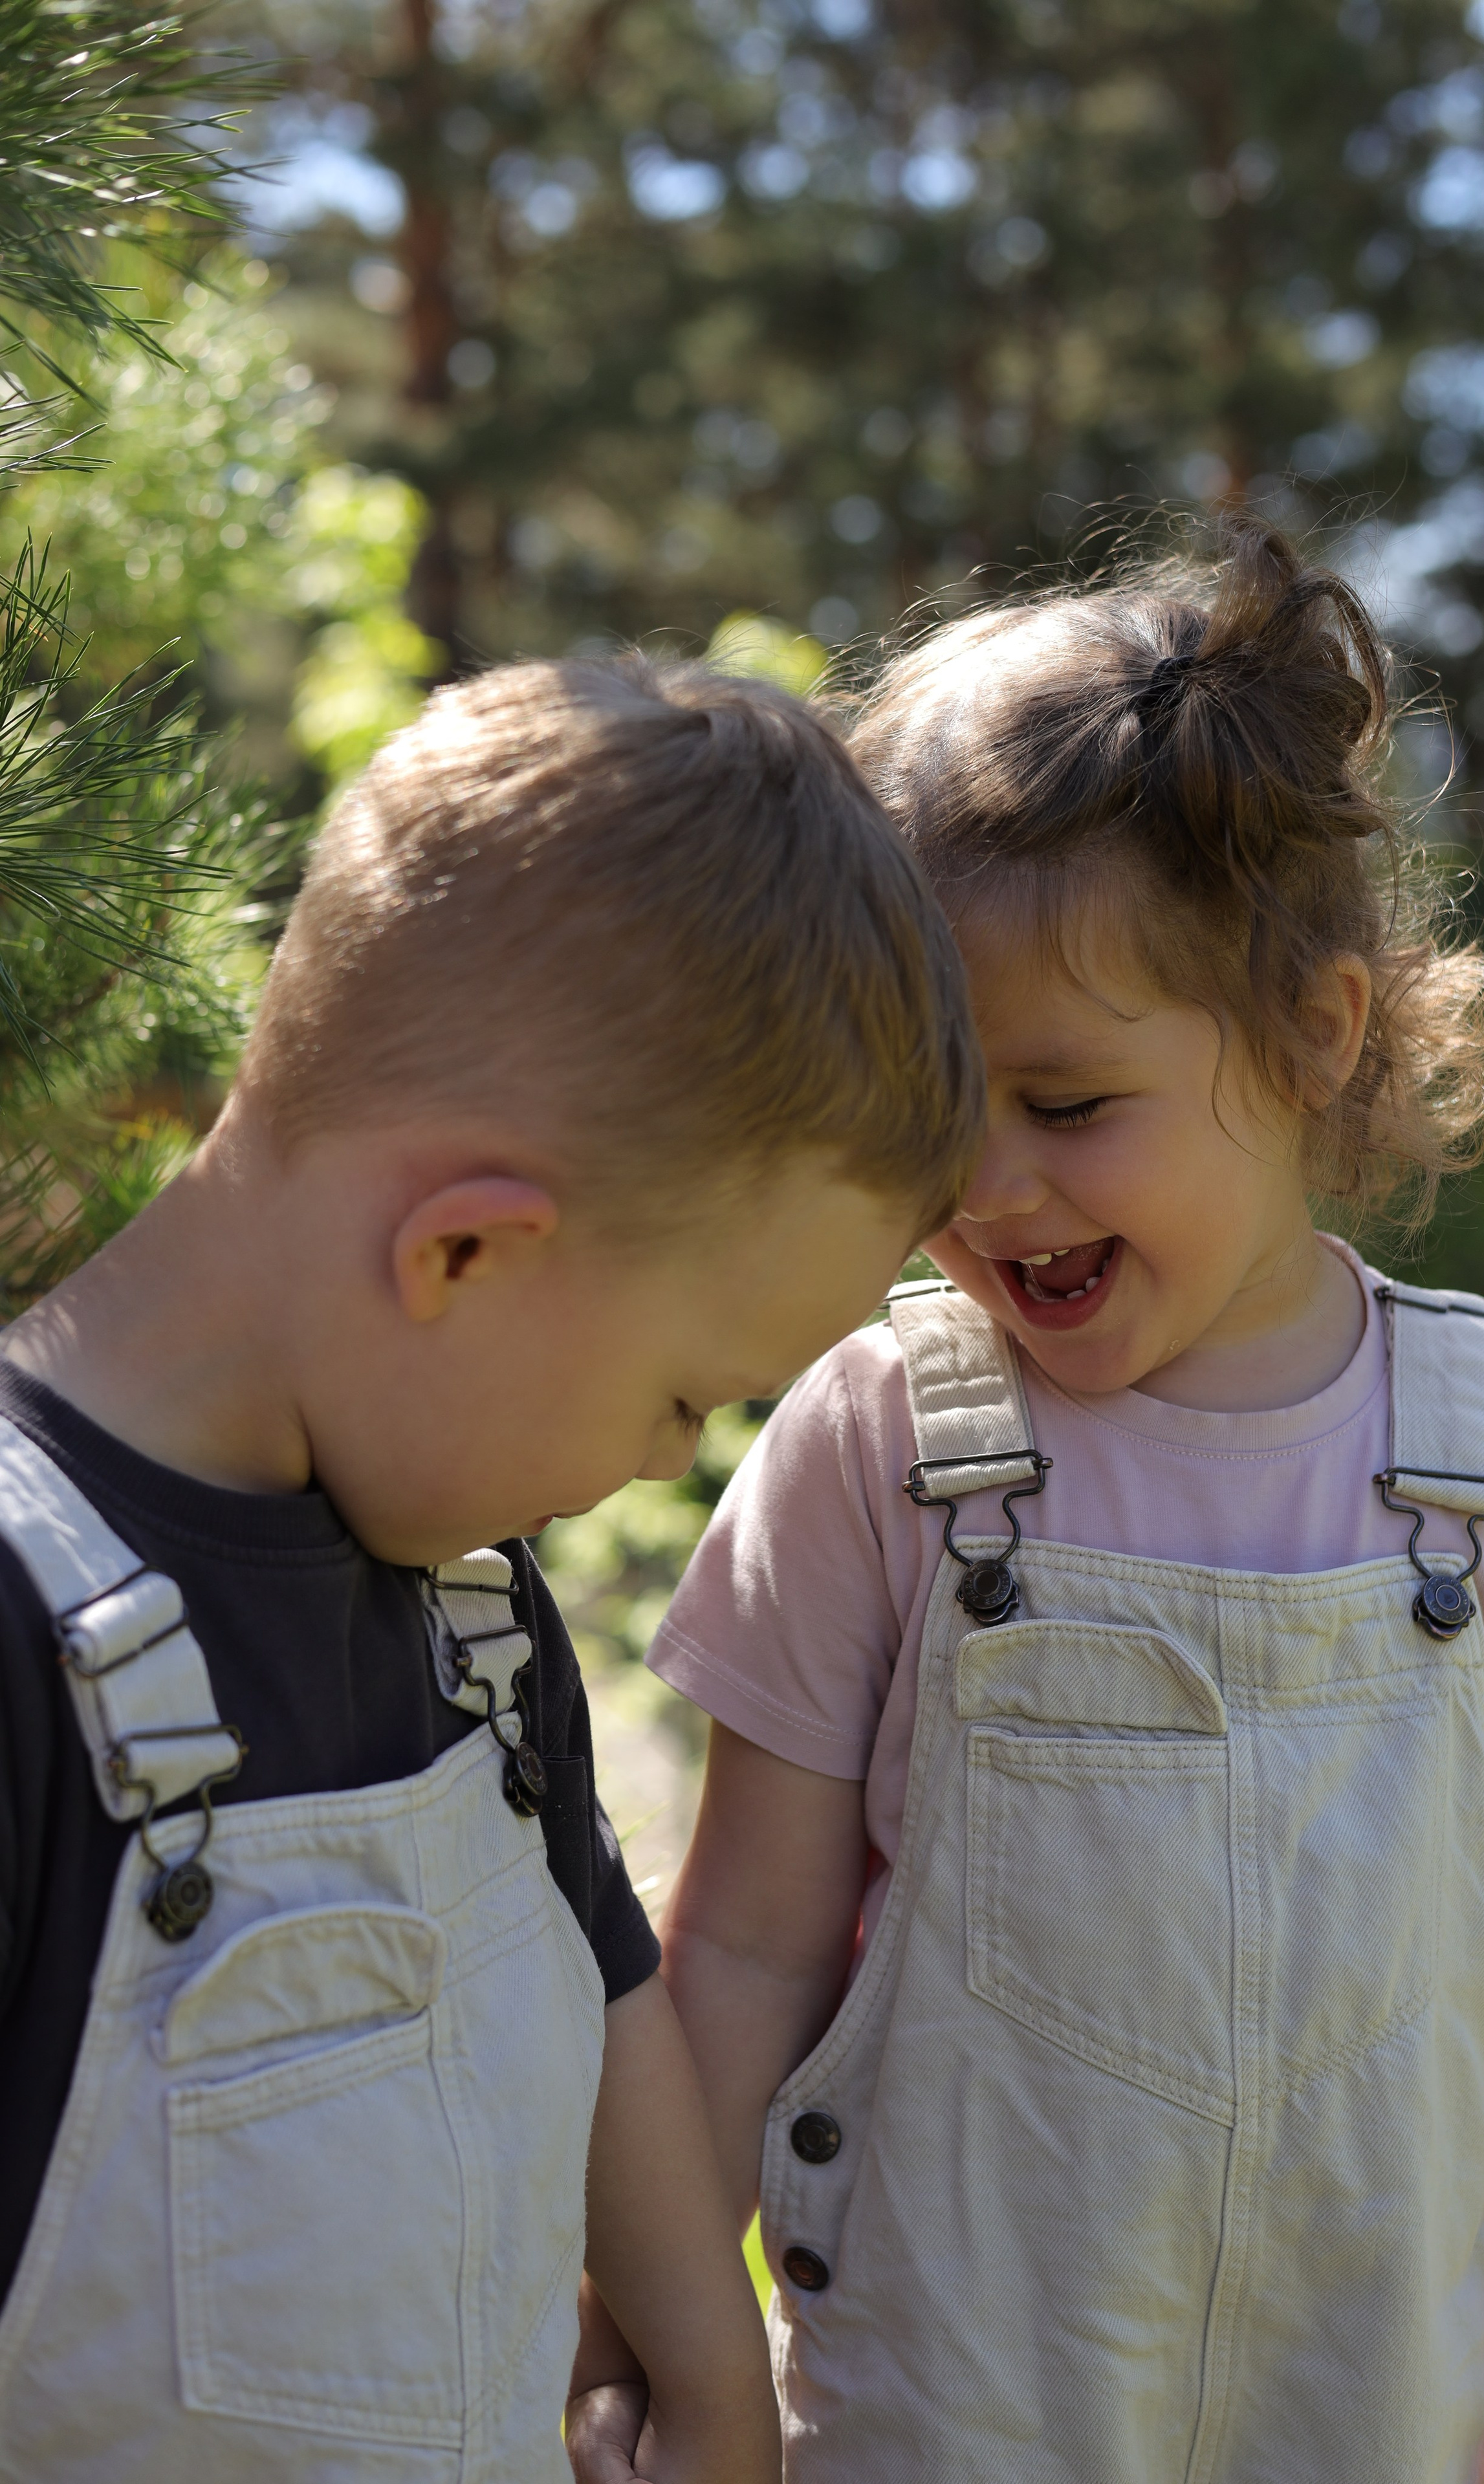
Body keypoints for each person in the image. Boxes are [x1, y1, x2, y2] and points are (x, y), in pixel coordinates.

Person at [648, 528, 1484, 2484]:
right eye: (932, 1103)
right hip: (939, 2427)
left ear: (1316, 1035)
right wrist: (658, 2345)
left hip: (1360, 2423)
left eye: (1067, 1104)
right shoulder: (880, 1443)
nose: (987, 1186)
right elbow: (747, 1954)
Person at [0, 653, 983, 2484]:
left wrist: (712, 2384)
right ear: (465, 1254)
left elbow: (605, 1989)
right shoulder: (23, 1632)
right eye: (685, 1396)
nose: (668, 1461)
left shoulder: (475, 1620)